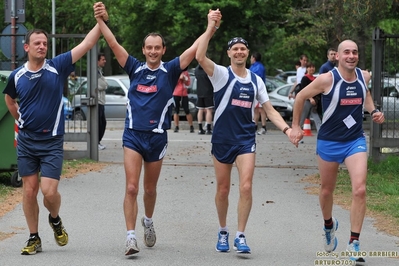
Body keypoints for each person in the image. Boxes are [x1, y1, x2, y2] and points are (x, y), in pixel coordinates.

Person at [93, 3, 222, 256]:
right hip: (132, 136)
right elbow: (113, 44)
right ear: (143, 50)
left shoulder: (171, 69)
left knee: (149, 189)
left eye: (157, 47)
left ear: (163, 50)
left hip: (157, 138)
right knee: (132, 188)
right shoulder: (134, 68)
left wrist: (211, 26)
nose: (152, 51)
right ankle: (130, 238)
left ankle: (148, 222)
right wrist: (101, 20)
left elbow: (196, 49)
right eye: (148, 47)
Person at [2, 12, 104, 255]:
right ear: (27, 47)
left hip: (51, 142)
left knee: (49, 191)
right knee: (29, 190)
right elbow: (9, 100)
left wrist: (101, 21)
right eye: (37, 43)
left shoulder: (57, 66)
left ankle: (55, 219)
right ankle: (34, 237)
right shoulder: (17, 76)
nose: (42, 46)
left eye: (45, 43)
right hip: (27, 141)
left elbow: (88, 43)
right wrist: (21, 119)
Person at [196, 20, 297, 253]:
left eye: (243, 48)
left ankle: (240, 235)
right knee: (222, 189)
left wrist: (287, 130)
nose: (239, 51)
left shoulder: (255, 80)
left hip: (245, 140)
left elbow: (269, 110)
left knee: (246, 186)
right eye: (235, 48)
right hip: (222, 139)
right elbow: (200, 56)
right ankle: (223, 231)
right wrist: (211, 27)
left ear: (248, 53)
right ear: (229, 53)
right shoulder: (220, 74)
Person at [290, 40, 385, 264]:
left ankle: (354, 242)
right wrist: (295, 126)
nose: (351, 56)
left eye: (354, 52)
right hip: (329, 142)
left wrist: (374, 111)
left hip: (354, 141)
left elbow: (366, 94)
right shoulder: (327, 79)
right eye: (346, 53)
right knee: (326, 191)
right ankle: (328, 226)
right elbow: (301, 96)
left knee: (360, 189)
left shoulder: (364, 76)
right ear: (338, 57)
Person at [298, 62, 322, 132]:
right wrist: (310, 98)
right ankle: (297, 133)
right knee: (302, 118)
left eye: (313, 67)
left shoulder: (315, 78)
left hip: (314, 103)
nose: (312, 68)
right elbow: (303, 90)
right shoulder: (304, 78)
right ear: (307, 68)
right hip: (307, 101)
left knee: (317, 119)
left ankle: (320, 136)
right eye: (310, 67)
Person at [249, 52, 267, 135]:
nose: (250, 59)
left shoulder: (258, 67)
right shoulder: (253, 67)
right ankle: (255, 126)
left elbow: (256, 79)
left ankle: (263, 127)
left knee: (261, 109)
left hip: (259, 90)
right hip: (254, 90)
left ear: (254, 58)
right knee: (256, 109)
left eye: (251, 57)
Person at [195, 64, 214, 135]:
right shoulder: (207, 68)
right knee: (209, 110)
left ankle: (200, 128)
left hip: (199, 91)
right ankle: (208, 128)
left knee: (200, 109)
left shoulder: (196, 70)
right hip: (208, 91)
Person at [173, 68, 194, 133]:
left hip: (184, 94)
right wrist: (179, 78)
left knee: (187, 110)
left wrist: (184, 79)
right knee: (176, 110)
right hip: (176, 93)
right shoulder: (175, 72)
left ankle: (191, 126)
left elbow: (188, 83)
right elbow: (173, 82)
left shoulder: (186, 73)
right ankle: (176, 126)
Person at [97, 52, 108, 149]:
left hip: (101, 101)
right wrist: (104, 83)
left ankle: (97, 142)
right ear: (97, 61)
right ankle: (96, 143)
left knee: (102, 123)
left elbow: (104, 84)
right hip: (97, 101)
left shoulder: (99, 71)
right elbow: (102, 85)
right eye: (103, 59)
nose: (105, 61)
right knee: (99, 123)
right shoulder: (95, 72)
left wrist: (104, 83)